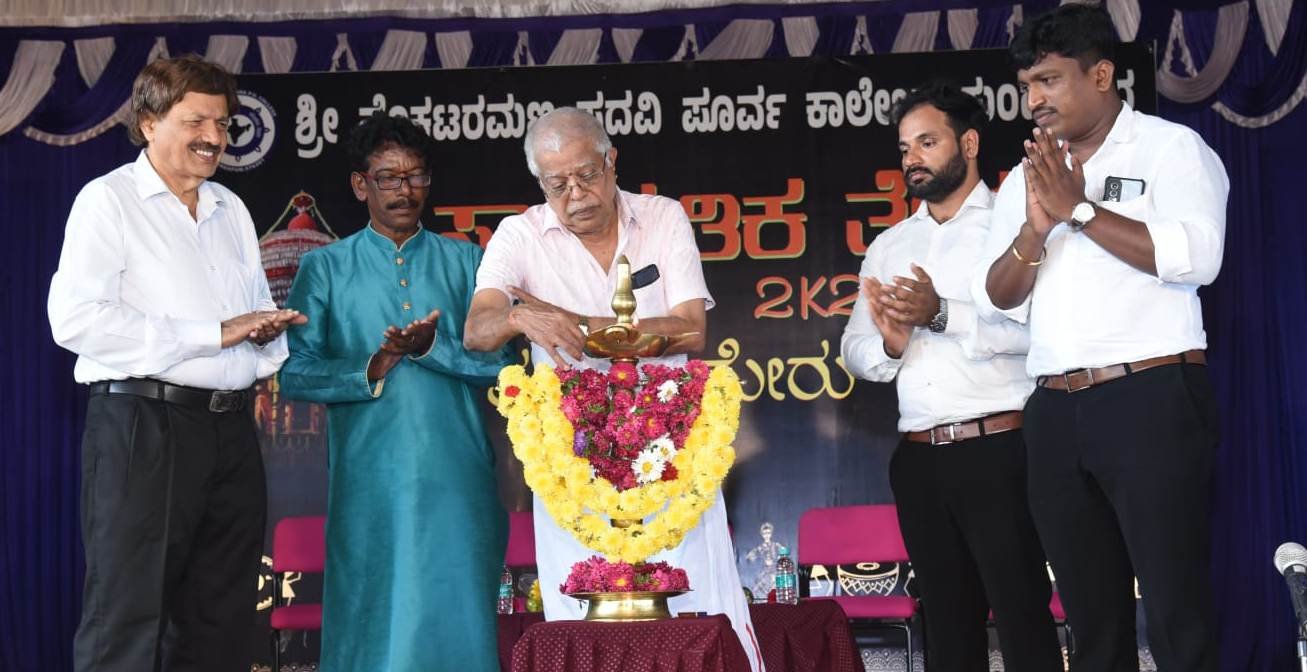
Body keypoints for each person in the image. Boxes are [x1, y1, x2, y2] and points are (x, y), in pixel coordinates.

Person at [974, 5, 1229, 670]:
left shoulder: (1170, 149)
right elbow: (996, 298)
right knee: (1091, 622)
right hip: (1054, 411)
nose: (1034, 100)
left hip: (1150, 396)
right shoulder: (1025, 177)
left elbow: (1199, 257)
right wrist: (1034, 231)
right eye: (1027, 85)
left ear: (1101, 75)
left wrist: (1080, 211)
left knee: (1175, 611)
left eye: (1049, 81)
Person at [464, 107, 763, 670]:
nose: (576, 195)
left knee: (691, 604)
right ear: (540, 184)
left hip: (670, 451)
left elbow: (691, 330)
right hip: (573, 459)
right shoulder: (519, 235)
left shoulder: (662, 217)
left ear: (611, 161)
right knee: (582, 615)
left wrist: (571, 323)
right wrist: (520, 316)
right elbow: (477, 330)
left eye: (586, 175)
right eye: (557, 184)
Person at [48, 55, 304, 672]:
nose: (214, 137)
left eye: (223, 123)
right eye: (196, 121)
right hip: (144, 427)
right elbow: (75, 321)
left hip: (231, 430)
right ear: (148, 123)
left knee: (223, 619)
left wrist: (264, 334)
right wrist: (213, 333)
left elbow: (248, 319)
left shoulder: (230, 209)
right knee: (127, 619)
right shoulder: (107, 201)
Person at [839, 82, 1063, 672]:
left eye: (927, 142)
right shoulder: (891, 244)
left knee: (1022, 618)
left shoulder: (1015, 225)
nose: (912, 158)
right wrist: (890, 343)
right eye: (904, 148)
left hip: (1001, 448)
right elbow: (854, 350)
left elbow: (1040, 334)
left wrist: (940, 314)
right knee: (946, 626)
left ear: (968, 143)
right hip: (919, 458)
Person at [279, 114, 514, 671]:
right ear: (360, 185)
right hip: (369, 479)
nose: (405, 190)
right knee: (373, 615)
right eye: (388, 178)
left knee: (458, 613)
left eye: (416, 176)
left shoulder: (468, 261)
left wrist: (434, 348)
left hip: (457, 475)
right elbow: (296, 373)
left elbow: (504, 366)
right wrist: (373, 364)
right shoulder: (325, 267)